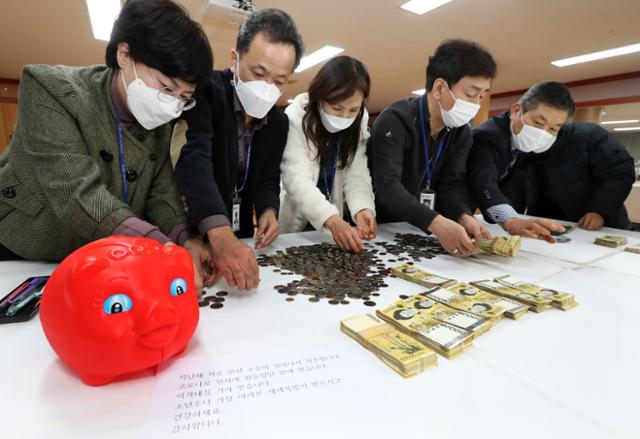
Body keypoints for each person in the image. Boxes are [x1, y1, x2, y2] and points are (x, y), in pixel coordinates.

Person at [0, 0, 213, 293]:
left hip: (103, 256)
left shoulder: (161, 120)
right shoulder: (52, 90)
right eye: (166, 87)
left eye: (183, 97)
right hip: (25, 250)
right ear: (124, 54)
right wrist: (162, 244)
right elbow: (76, 192)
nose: (171, 105)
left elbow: (162, 192)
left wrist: (185, 239)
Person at [173, 9, 303, 291]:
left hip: (240, 235)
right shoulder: (205, 93)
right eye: (258, 73)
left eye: (279, 81)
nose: (267, 87)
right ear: (235, 59)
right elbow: (194, 163)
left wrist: (268, 210)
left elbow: (268, 177)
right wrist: (219, 236)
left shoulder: (278, 122)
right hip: (193, 232)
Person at [369, 39, 496, 257]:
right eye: (470, 94)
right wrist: (437, 224)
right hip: (379, 227)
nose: (476, 104)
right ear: (439, 88)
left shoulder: (461, 132)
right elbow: (387, 184)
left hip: (419, 230)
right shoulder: (395, 120)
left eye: (481, 96)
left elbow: (451, 183)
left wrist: (464, 217)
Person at [469, 81, 635, 237]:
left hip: (601, 225)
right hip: (550, 224)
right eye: (538, 123)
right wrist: (511, 218)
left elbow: (621, 170)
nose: (543, 134)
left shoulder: (587, 136)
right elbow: (487, 180)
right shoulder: (496, 137)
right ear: (516, 111)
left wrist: (600, 210)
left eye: (554, 128)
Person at [279, 55, 377, 252]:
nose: (344, 117)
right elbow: (297, 181)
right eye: (337, 108)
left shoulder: (358, 121)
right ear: (319, 98)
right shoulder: (294, 118)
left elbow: (356, 172)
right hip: (298, 220)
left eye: (353, 110)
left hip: (333, 221)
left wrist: (363, 208)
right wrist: (331, 219)